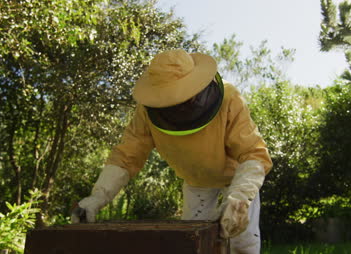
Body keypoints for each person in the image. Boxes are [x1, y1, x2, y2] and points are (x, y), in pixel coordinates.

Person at [72, 49, 272, 253]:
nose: (178, 105)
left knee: (242, 242)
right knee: (192, 243)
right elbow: (126, 156)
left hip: (237, 180)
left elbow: (253, 154)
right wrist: (97, 197)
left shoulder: (229, 99)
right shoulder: (147, 112)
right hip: (197, 183)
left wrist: (239, 197)